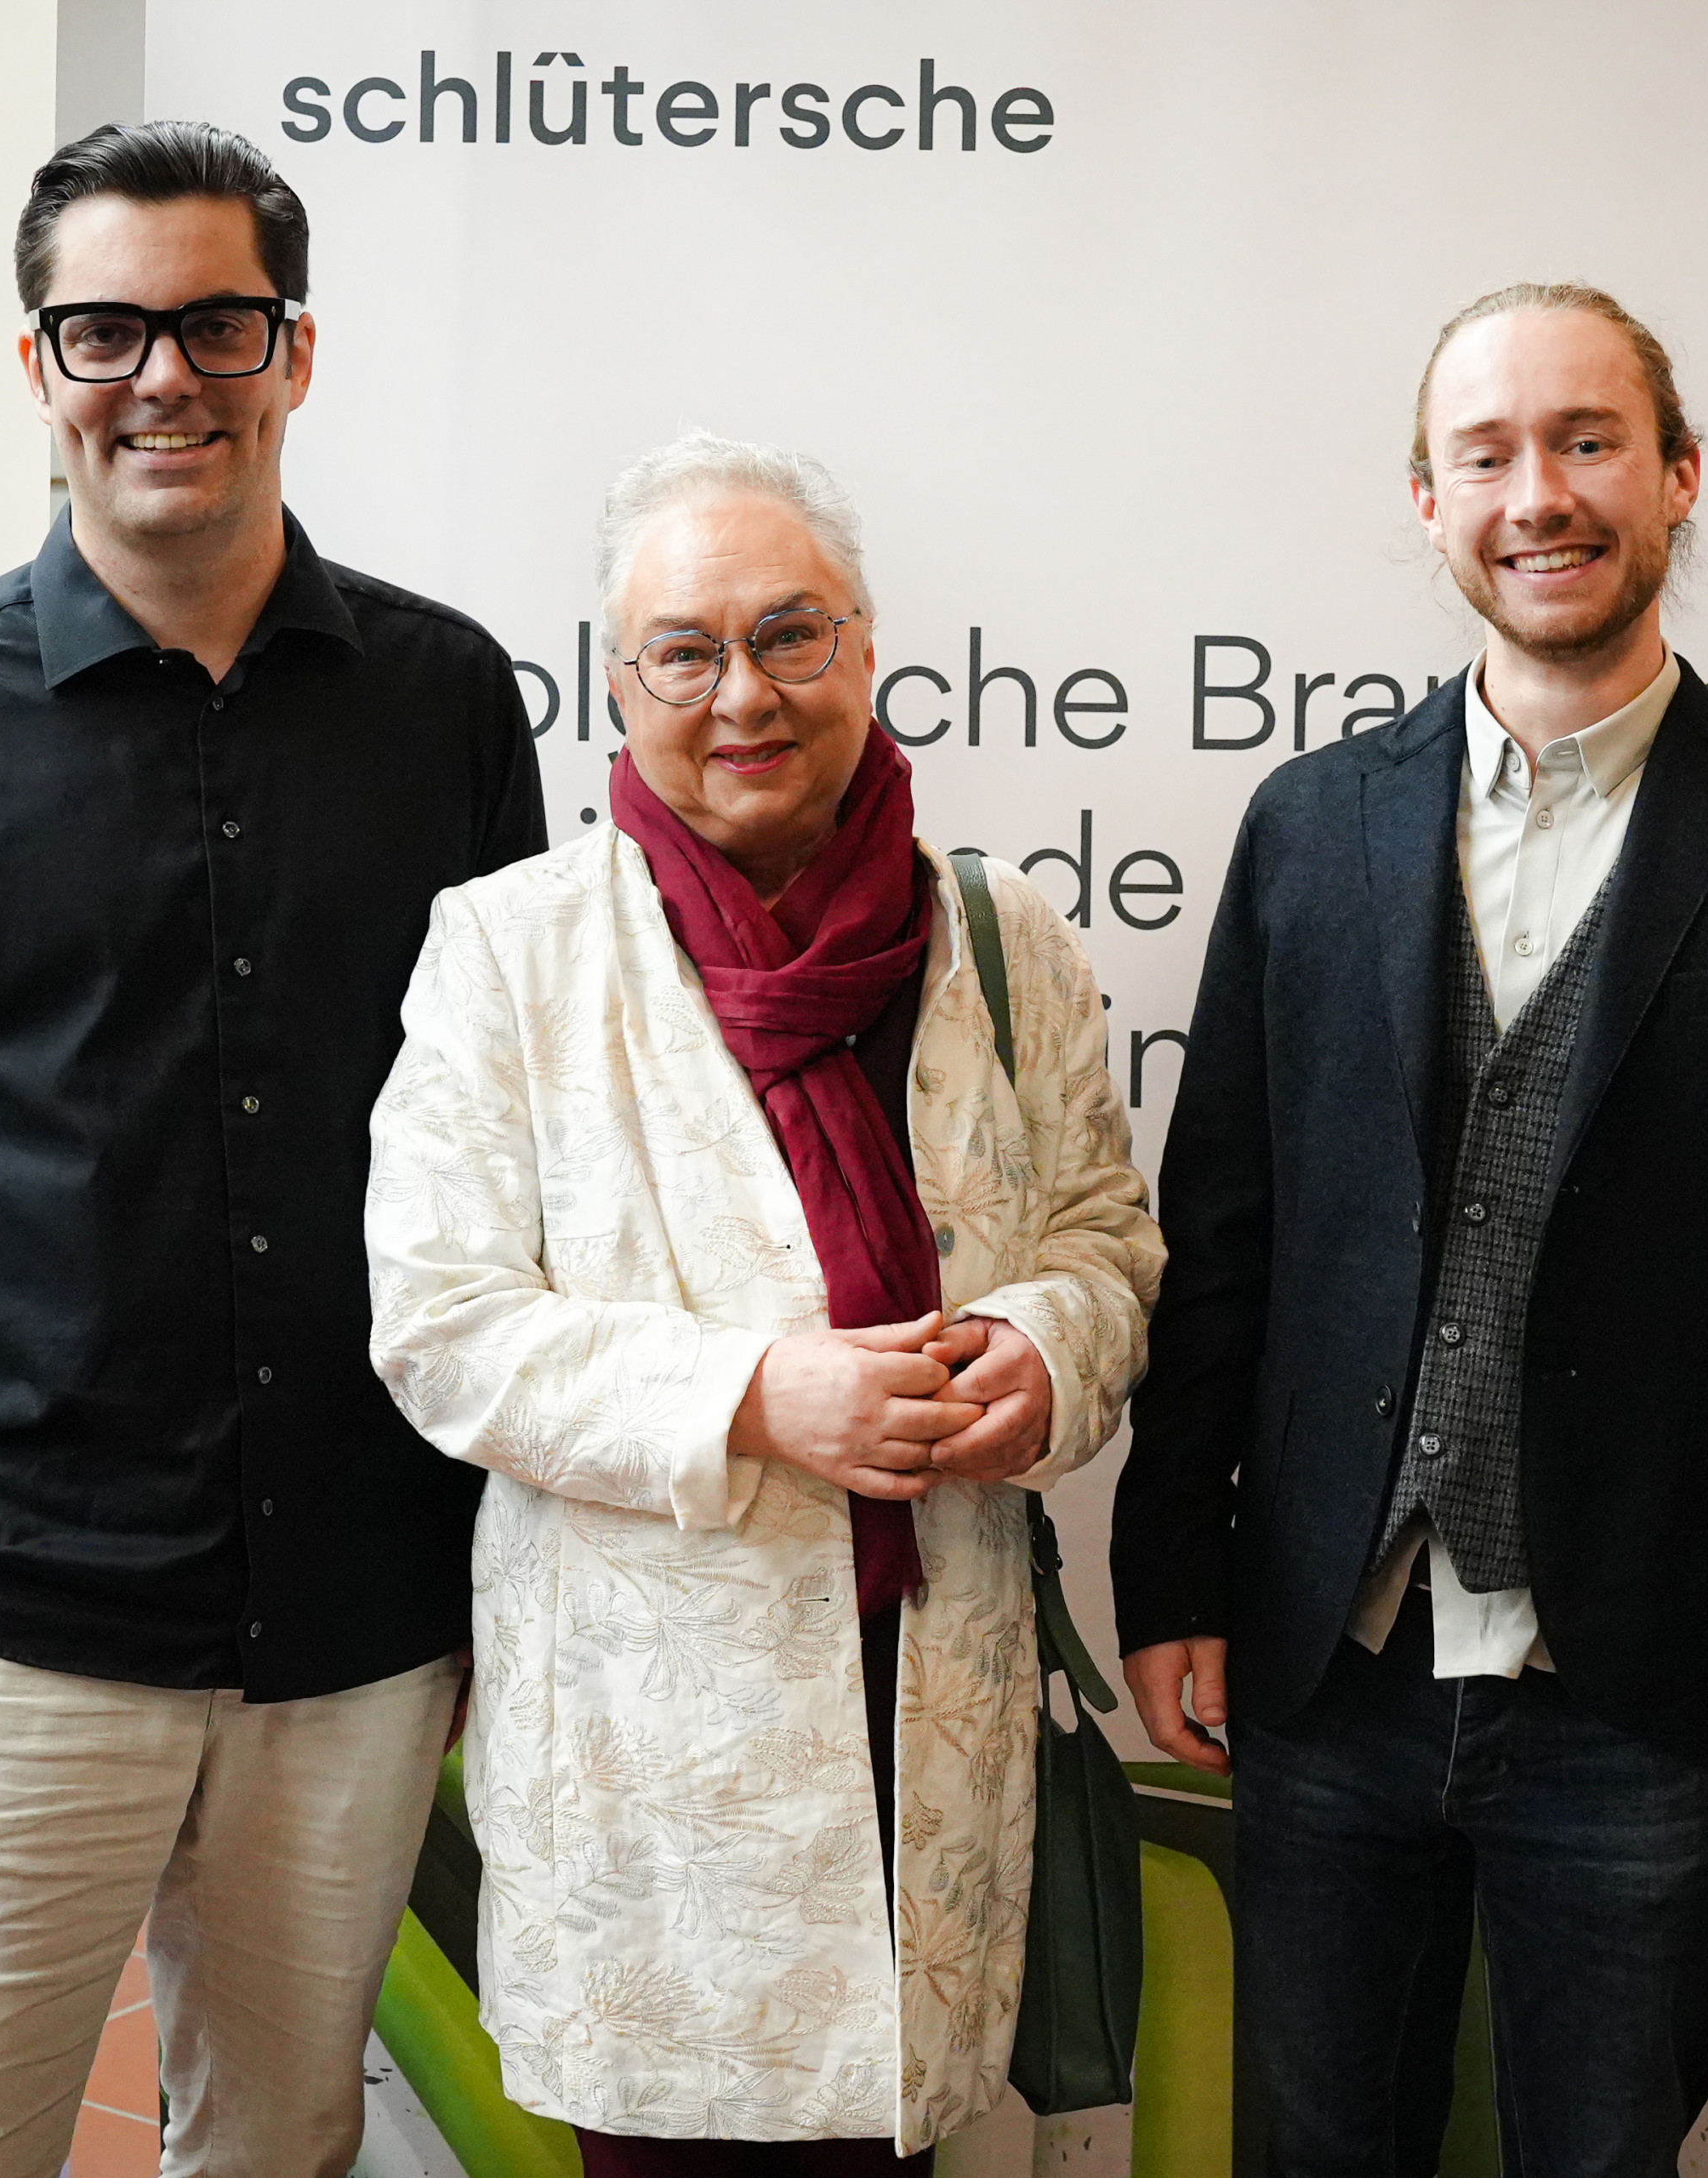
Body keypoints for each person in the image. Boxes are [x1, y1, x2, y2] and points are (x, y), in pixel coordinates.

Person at [0, 122, 544, 2175]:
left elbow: (519, 1131)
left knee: (279, 2146)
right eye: (106, 328)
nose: (162, 373)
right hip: (4, 1617)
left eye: (215, 322)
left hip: (357, 1618)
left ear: (295, 352)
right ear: (39, 365)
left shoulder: (444, 699)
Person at [1109, 282, 1708, 2171]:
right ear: (1427, 498)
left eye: (1586, 441)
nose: (1539, 493)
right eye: (1486, 452)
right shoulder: (1312, 826)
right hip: (1335, 1670)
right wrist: (1173, 1570)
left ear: (1676, 477)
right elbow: (1221, 1234)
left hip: (1642, 1692)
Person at [363, 433, 1163, 2169]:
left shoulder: (1009, 939)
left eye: (791, 635)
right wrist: (751, 1396)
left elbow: (1109, 1235)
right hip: (656, 1772)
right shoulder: (511, 946)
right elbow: (440, 1319)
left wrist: (1044, 1347)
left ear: (865, 648)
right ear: (618, 680)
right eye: (686, 649)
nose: (744, 692)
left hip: (923, 1710)